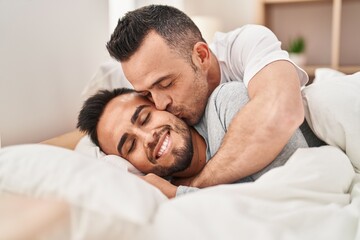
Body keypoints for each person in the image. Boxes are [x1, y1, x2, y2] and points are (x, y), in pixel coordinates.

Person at [106, 4, 310, 188]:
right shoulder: (167, 113)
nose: (159, 105)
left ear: (202, 56)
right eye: (147, 94)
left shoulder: (243, 46)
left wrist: (195, 185)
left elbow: (283, 111)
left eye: (166, 84)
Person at [77, 81, 323, 198]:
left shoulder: (226, 104)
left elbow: (298, 193)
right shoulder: (164, 196)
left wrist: (180, 194)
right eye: (130, 146)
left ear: (161, 105)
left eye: (144, 118)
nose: (149, 137)